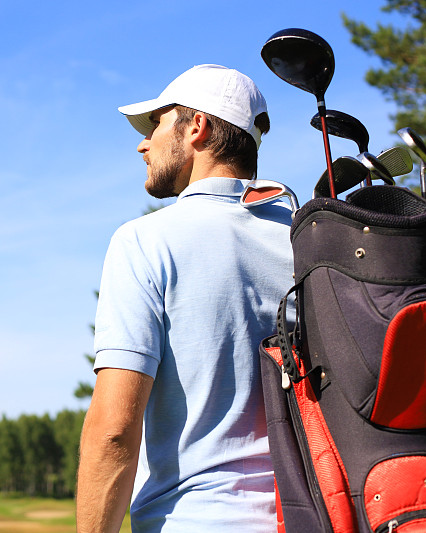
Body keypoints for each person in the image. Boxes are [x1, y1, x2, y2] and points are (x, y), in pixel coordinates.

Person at [76, 64, 294, 532]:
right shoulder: (308, 237)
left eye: (156, 123)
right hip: (310, 516)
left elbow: (114, 431)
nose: (143, 143)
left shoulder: (145, 241)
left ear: (197, 127)